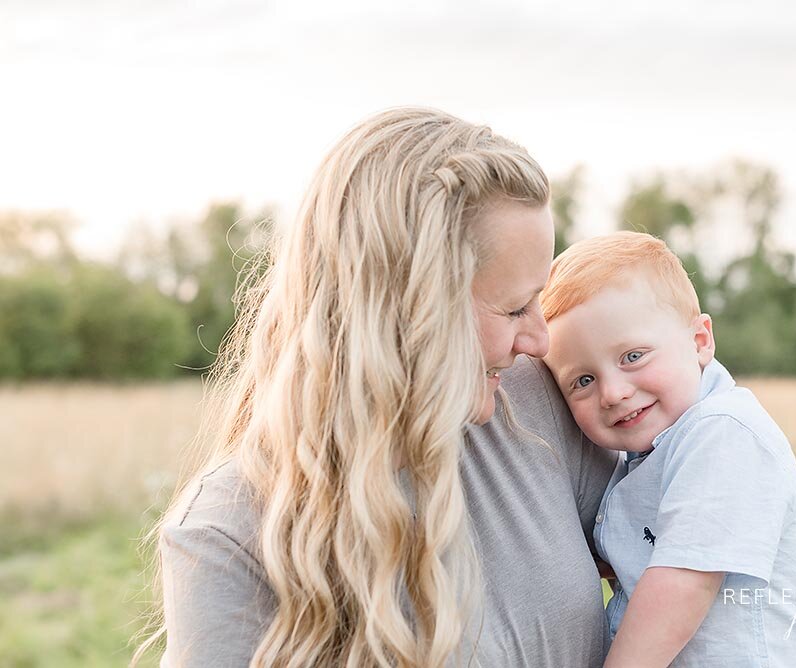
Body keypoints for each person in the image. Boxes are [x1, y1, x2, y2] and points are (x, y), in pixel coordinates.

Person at [136, 108, 616, 668]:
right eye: (513, 308)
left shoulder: (538, 405)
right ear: (408, 312)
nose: (538, 338)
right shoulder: (227, 536)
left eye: (540, 298)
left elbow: (706, 537)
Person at [540, 231, 796, 667]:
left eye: (633, 357)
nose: (613, 392)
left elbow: (683, 582)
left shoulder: (724, 434)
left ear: (699, 341)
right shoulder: (647, 455)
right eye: (583, 381)